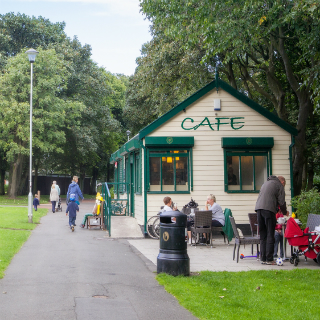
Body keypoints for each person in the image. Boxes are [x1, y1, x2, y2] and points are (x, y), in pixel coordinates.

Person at [255, 175, 288, 265]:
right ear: (282, 182)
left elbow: (269, 198)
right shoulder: (279, 185)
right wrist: (285, 212)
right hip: (269, 211)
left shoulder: (265, 184)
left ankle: (263, 258)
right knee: (270, 234)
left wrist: (277, 209)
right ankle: (269, 259)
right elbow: (282, 202)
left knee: (263, 235)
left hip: (258, 210)